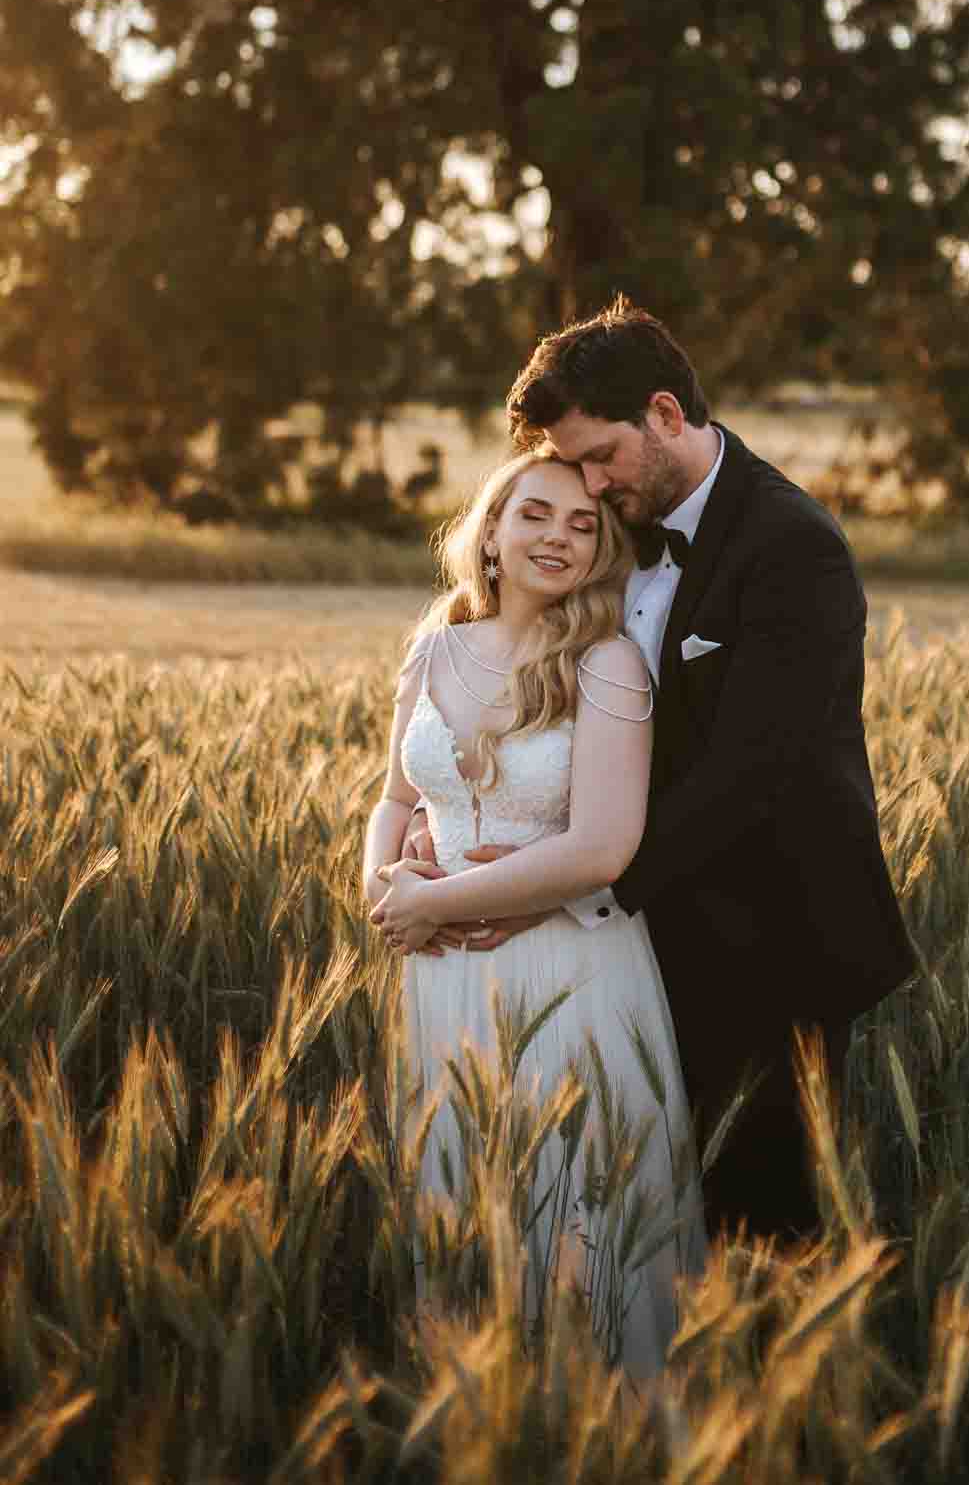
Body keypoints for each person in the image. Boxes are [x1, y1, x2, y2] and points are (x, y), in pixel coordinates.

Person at [402, 300, 917, 1244]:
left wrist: (563, 893)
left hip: (771, 944)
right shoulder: (616, 526)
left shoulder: (790, 545)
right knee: (623, 1211)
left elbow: (754, 773)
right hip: (632, 950)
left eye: (601, 455)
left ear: (667, 414)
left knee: (761, 1227)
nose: (587, 485)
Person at [364, 450, 705, 1374]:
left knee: (582, 1222)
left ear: (601, 550)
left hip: (570, 973)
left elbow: (601, 847)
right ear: (492, 529)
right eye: (536, 514)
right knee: (464, 1217)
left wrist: (432, 900)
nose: (558, 536)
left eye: (582, 524)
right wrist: (381, 889)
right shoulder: (434, 644)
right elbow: (396, 798)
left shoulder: (608, 664)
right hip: (442, 982)